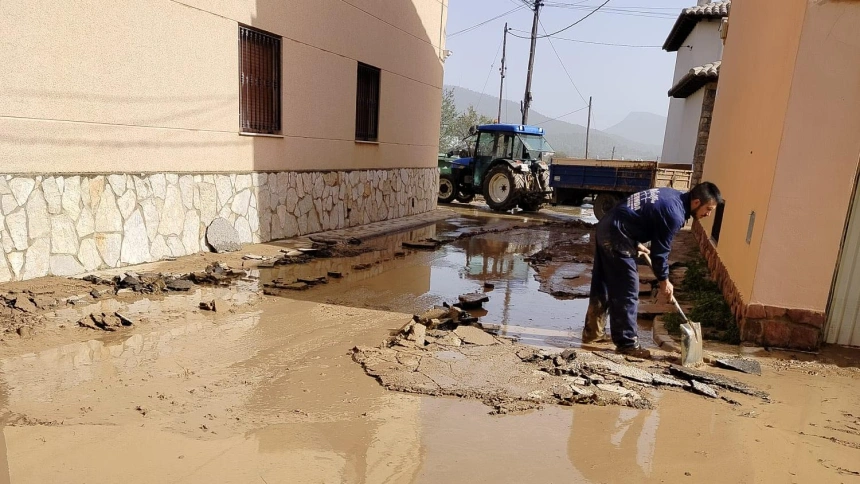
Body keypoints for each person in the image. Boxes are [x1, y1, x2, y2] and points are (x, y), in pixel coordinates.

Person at [581, 182, 723, 357]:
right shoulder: (674, 214)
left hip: (609, 226)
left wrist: (634, 242)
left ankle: (593, 333)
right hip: (616, 235)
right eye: (708, 209)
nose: (708, 214)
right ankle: (627, 344)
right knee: (628, 290)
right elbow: (660, 253)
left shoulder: (672, 196)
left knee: (603, 283)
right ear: (696, 202)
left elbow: (635, 213)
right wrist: (664, 281)